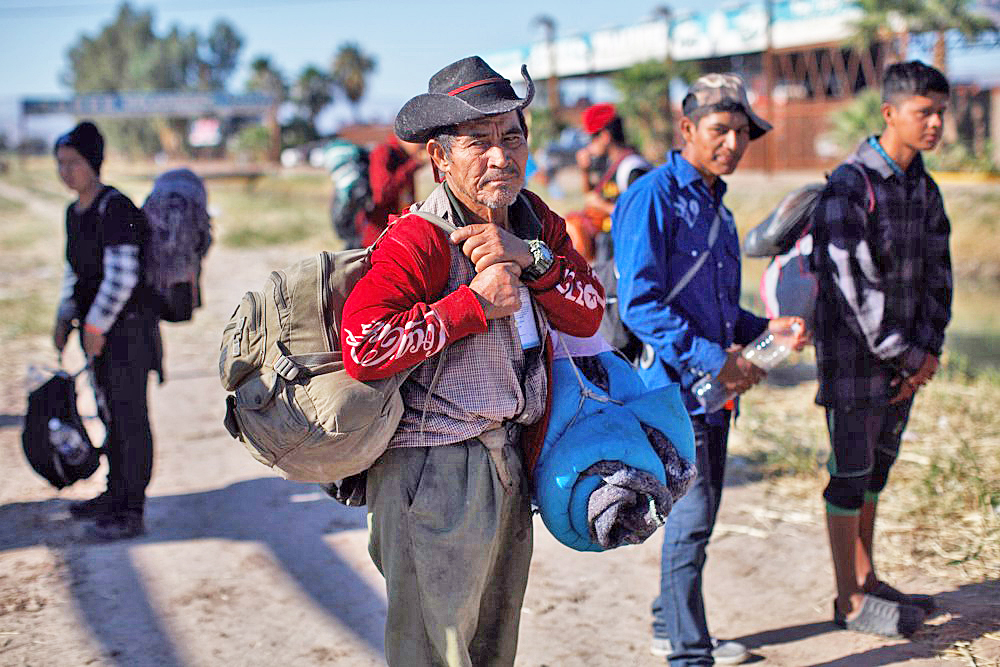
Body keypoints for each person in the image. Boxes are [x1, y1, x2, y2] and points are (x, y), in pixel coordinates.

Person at [340, 56, 605, 666]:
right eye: (478, 142)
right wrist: (470, 307)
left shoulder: (536, 223)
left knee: (491, 645)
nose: (499, 156)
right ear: (440, 158)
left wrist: (530, 257)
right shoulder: (420, 238)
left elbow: (587, 313)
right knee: (433, 653)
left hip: (507, 461)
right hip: (432, 473)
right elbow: (363, 347)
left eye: (511, 137)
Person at [611, 74, 809, 666]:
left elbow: (719, 312)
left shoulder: (716, 204)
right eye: (721, 129)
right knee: (692, 524)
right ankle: (689, 656)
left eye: (742, 132)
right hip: (673, 393)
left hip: (714, 392)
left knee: (693, 522)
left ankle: (667, 626)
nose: (733, 142)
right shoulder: (653, 197)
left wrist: (762, 333)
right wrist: (716, 358)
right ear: (688, 129)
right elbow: (639, 305)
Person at [811, 60, 952, 638]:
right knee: (849, 475)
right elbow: (855, 291)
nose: (936, 124)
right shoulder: (850, 186)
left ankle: (868, 580)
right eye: (925, 112)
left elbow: (940, 278)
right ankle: (847, 601)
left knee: (876, 475)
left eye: (942, 112)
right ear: (890, 113)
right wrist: (907, 356)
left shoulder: (925, 185)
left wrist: (927, 353)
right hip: (854, 365)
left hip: (906, 365)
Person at [52, 121, 161, 541]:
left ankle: (131, 509)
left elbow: (123, 276)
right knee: (108, 413)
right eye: (60, 163)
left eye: (73, 163)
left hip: (128, 335)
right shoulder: (74, 211)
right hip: (98, 334)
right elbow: (73, 271)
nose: (65, 171)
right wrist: (64, 318)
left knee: (130, 419)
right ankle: (114, 494)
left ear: (93, 163)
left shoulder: (115, 207)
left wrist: (95, 325)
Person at [566, 104, 652, 262]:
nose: (589, 146)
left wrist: (603, 206)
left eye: (592, 138)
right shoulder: (608, 164)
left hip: (633, 251)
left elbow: (642, 215)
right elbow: (591, 198)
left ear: (605, 136)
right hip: (610, 247)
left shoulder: (634, 168)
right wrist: (585, 171)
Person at [359, 134, 425, 246]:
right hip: (376, 236)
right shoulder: (384, 152)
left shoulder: (406, 157)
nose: (422, 147)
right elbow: (381, 195)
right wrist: (413, 164)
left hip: (396, 234)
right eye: (420, 143)